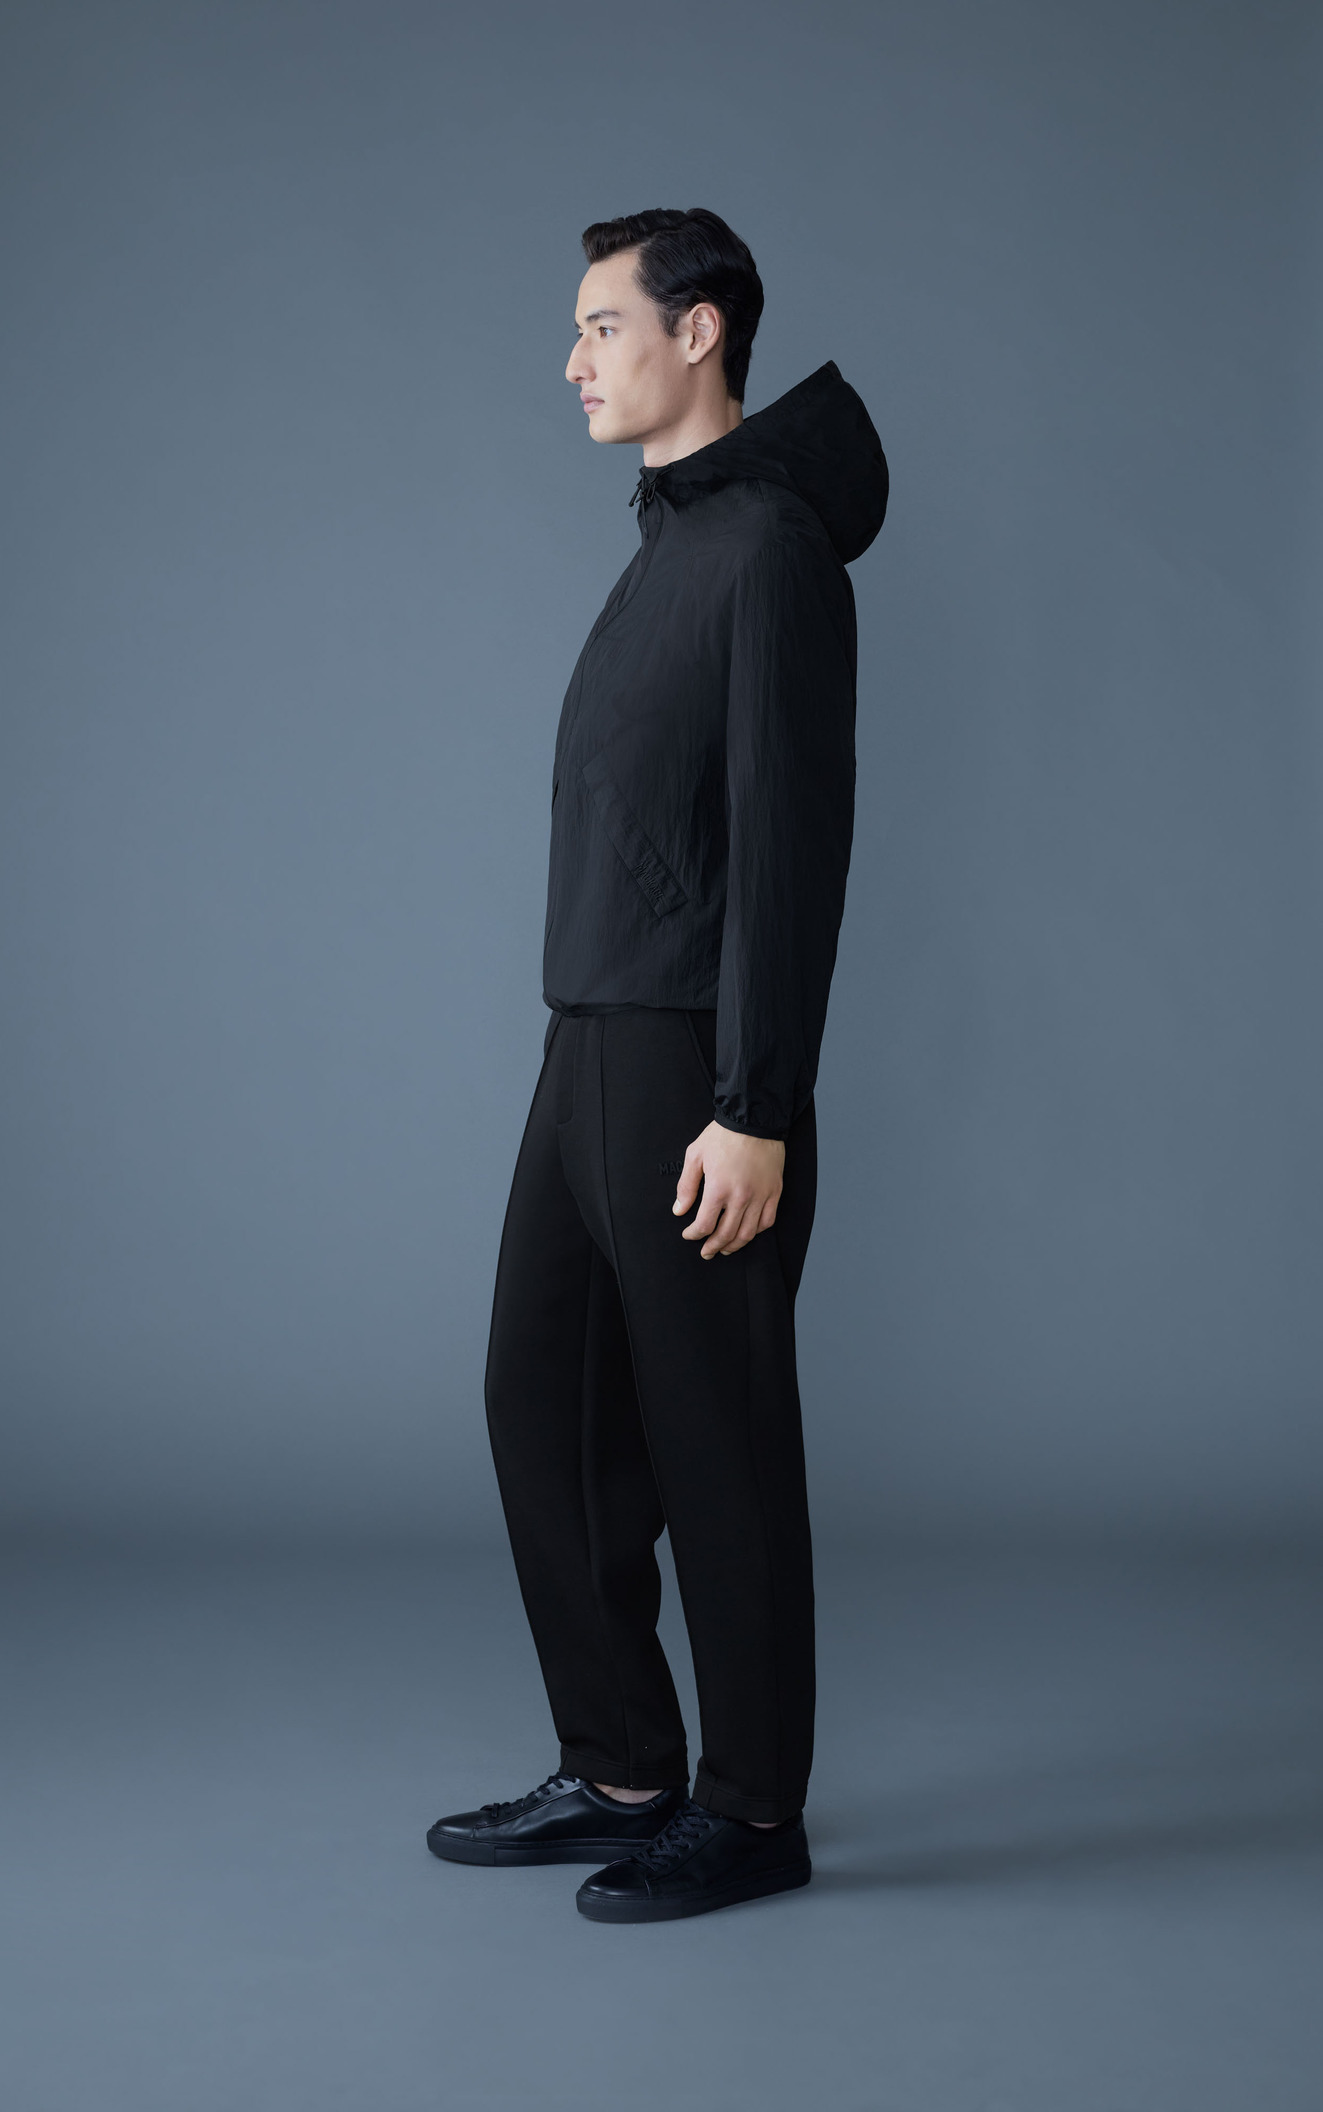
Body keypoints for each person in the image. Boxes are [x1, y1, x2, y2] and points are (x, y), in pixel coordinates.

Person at [427, 207, 888, 1922]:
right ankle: (624, 1764)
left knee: (716, 1437)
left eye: (600, 326)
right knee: (539, 1401)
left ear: (699, 333)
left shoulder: (766, 550)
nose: (573, 361)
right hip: (589, 1051)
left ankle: (753, 1810)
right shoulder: (673, 540)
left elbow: (788, 848)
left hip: (698, 1064)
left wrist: (755, 1106)